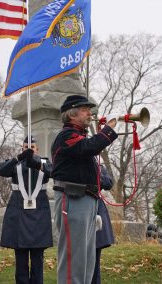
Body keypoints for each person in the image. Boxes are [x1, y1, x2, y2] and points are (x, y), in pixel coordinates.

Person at [51, 95, 118, 284]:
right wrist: (107, 131)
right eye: (85, 109)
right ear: (72, 114)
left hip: (85, 201)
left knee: (87, 261)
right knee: (75, 261)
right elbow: (89, 147)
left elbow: (88, 150)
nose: (90, 113)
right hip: (72, 200)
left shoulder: (78, 137)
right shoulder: (66, 135)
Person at [0, 136, 53, 284]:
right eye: (26, 147)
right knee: (20, 258)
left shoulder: (44, 162)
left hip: (39, 214)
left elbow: (54, 171)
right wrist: (18, 158)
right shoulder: (15, 164)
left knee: (37, 259)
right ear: (22, 148)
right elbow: (1, 170)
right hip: (19, 214)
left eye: (32, 147)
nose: (29, 149)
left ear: (37, 149)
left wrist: (36, 163)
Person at [92, 165, 115, 284]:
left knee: (95, 260)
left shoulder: (99, 167)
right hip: (80, 211)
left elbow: (108, 182)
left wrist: (95, 175)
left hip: (97, 212)